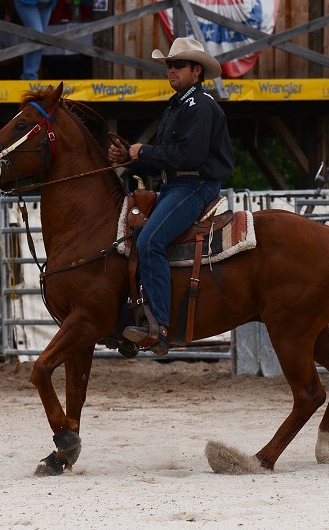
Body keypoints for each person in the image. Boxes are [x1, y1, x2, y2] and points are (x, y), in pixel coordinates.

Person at [107, 37, 234, 356]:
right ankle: (130, 317)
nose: (171, 70)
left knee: (150, 241)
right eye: (169, 65)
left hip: (196, 186)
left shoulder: (200, 105)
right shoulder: (178, 106)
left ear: (197, 70)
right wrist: (131, 158)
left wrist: (143, 151)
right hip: (175, 186)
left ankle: (160, 326)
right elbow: (166, 158)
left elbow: (189, 156)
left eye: (178, 64)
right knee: (133, 238)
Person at [14, 0, 58, 80]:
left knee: (40, 39)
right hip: (27, 2)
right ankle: (29, 77)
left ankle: (29, 76)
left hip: (47, 3)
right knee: (37, 36)